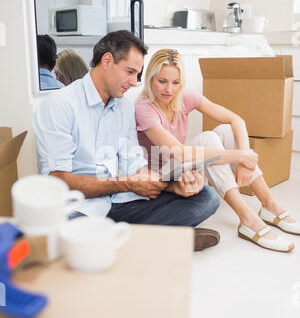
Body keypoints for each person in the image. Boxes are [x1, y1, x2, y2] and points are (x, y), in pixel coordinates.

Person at [33, 31, 220, 251]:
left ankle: (125, 242)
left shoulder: (122, 107)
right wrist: (126, 184)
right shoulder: (59, 105)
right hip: (79, 208)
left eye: (137, 74)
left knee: (206, 197)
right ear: (107, 61)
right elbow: (59, 181)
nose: (134, 83)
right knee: (58, 229)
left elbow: (135, 166)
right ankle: (155, 240)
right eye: (130, 72)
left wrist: (172, 186)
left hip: (120, 203)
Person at [135, 48, 300, 252]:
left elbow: (236, 120)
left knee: (226, 130)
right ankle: (248, 220)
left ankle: (270, 205)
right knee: (208, 139)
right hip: (159, 177)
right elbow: (178, 152)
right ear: (150, 79)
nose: (169, 89)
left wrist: (244, 160)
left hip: (182, 169)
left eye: (175, 82)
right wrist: (240, 155)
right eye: (162, 81)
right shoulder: (144, 107)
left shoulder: (184, 97)